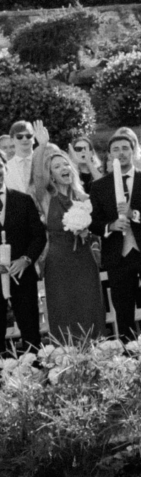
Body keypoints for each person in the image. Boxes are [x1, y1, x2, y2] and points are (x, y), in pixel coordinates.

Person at [88, 131, 141, 338]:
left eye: (125, 148)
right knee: (123, 309)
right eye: (115, 149)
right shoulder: (99, 187)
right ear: (109, 155)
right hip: (118, 255)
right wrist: (110, 226)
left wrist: (134, 214)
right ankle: (129, 350)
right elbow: (94, 223)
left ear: (133, 152)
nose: (121, 153)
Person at [37, 148, 106, 340]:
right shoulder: (47, 198)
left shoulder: (83, 198)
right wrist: (42, 146)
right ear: (50, 175)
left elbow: (104, 188)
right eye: (57, 167)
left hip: (84, 258)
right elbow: (37, 177)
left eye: (66, 164)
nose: (64, 168)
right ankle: (66, 352)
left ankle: (95, 348)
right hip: (58, 261)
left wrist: (88, 231)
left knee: (89, 304)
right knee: (63, 306)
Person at [0, 153, 46, 350]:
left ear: (5, 168)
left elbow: (39, 236)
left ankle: (35, 366)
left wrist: (25, 260)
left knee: (30, 331)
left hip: (22, 275)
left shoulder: (23, 200)